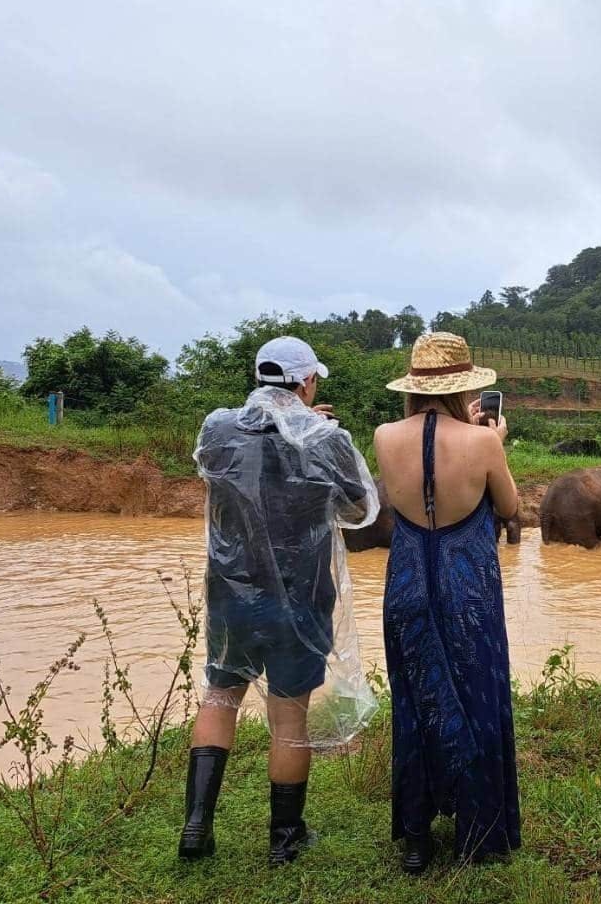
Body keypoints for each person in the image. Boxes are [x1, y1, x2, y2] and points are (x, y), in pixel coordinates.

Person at [179, 335, 379, 866]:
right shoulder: (327, 439)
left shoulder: (217, 428)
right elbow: (360, 508)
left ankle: (196, 827)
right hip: (301, 596)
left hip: (232, 592)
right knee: (288, 717)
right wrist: (323, 433)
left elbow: (220, 469)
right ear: (307, 382)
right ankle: (284, 841)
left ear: (260, 375)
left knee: (220, 695)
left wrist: (307, 427)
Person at [373, 332, 521, 873]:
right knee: (477, 693)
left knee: (416, 700)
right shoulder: (484, 442)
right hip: (469, 591)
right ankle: (478, 833)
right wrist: (495, 439)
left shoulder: (384, 435)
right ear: (466, 387)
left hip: (407, 584)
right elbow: (509, 506)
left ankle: (416, 839)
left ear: (413, 386)